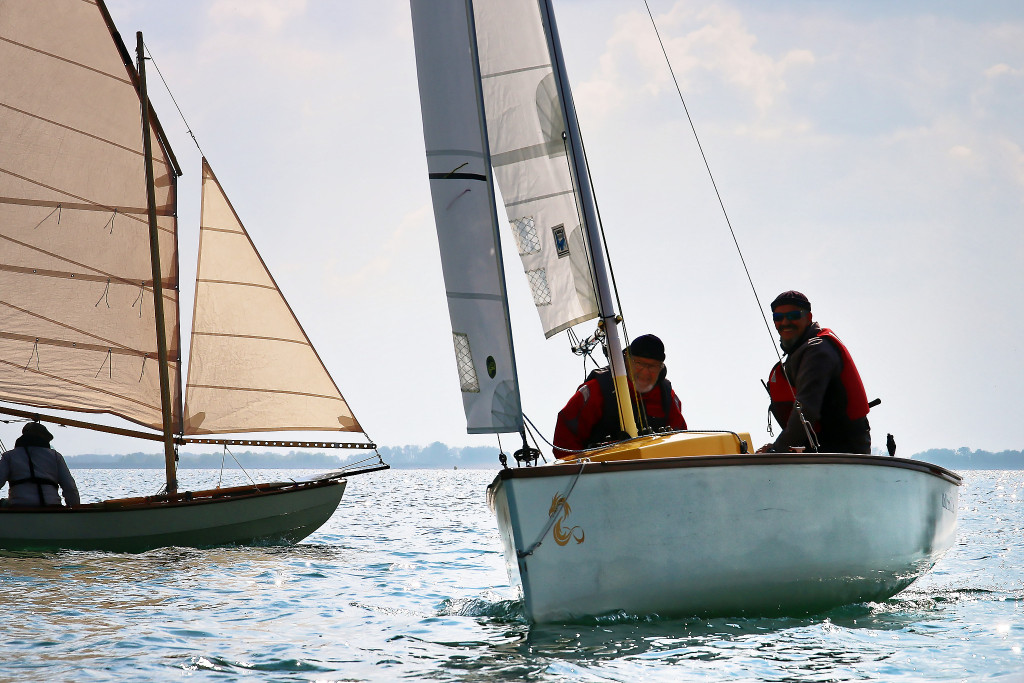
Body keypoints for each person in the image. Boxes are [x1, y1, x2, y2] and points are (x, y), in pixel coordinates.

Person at [758, 291, 871, 454]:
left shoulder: (818, 351)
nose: (785, 322)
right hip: (819, 454)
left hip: (843, 455)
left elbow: (806, 408)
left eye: (793, 315)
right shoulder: (800, 352)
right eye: (778, 317)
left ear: (809, 317)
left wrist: (777, 449)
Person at [553, 334, 687, 456]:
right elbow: (564, 444)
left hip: (655, 475)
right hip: (600, 475)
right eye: (639, 364)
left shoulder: (666, 396)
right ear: (626, 361)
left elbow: (680, 442)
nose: (646, 372)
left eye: (653, 366)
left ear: (661, 368)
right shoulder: (595, 390)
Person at [0, 421, 80, 507]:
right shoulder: (55, 456)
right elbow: (70, 487)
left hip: (18, 507)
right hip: (52, 507)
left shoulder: (9, 456)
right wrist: (74, 507)